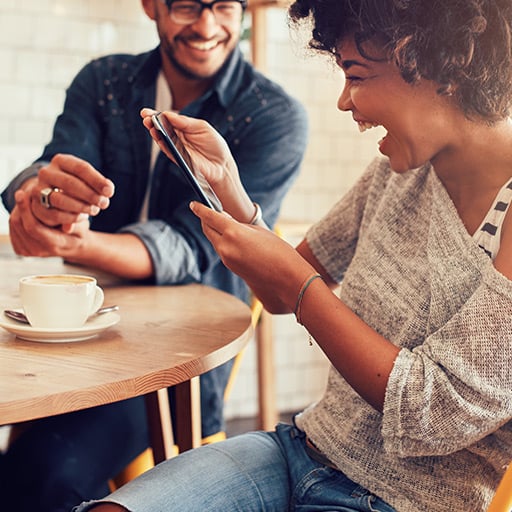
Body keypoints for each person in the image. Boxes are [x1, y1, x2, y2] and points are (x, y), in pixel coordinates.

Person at [72, 0, 512, 511]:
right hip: (299, 450)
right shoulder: (398, 172)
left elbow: (434, 411)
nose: (346, 102)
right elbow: (280, 292)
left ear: (435, 65)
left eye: (356, 75)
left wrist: (304, 291)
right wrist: (231, 191)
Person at [0, 0, 307, 510]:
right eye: (188, 5)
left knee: (42, 477)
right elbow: (49, 166)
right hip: (75, 338)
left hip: (179, 363)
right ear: (152, 7)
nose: (207, 25)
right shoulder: (102, 80)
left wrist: (77, 243)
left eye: (224, 6)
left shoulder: (274, 115)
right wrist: (40, 200)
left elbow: (189, 246)